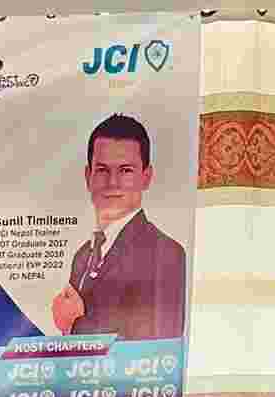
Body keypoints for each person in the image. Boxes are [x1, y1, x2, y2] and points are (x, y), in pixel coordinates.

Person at [51, 114, 187, 342]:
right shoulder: (82, 257)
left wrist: (73, 323)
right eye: (102, 170)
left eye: (125, 170)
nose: (113, 182)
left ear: (146, 177)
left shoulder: (166, 253)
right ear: (88, 176)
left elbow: (159, 349)